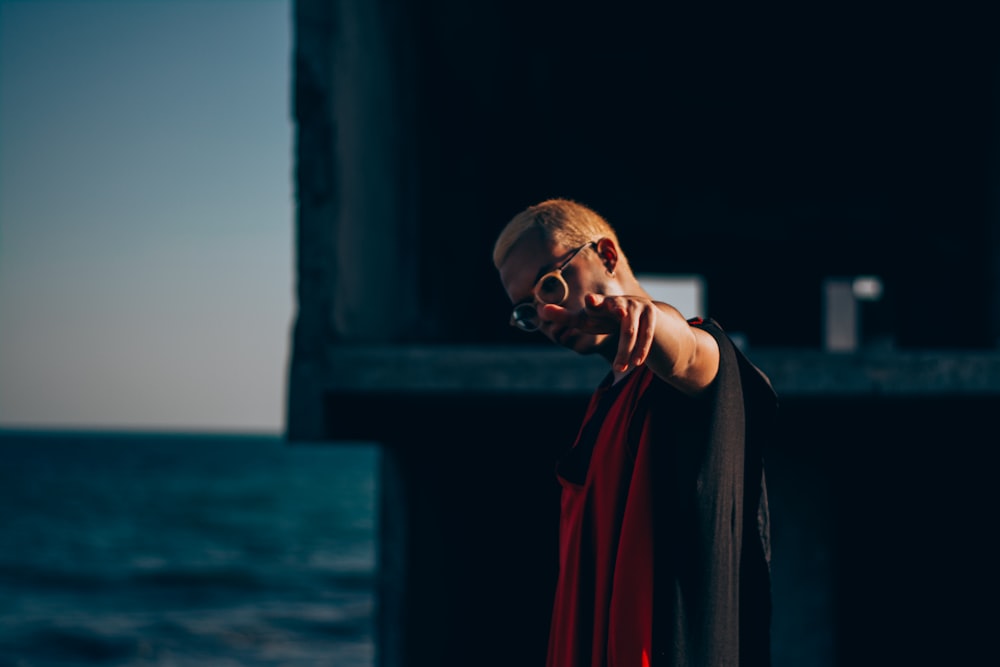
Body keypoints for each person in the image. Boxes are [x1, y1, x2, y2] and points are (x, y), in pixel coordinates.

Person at [492, 198, 777, 667]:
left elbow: (691, 355)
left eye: (549, 284)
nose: (544, 314)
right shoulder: (605, 404)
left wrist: (654, 317)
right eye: (527, 308)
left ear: (605, 254)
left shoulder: (683, 374)